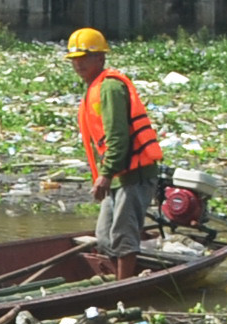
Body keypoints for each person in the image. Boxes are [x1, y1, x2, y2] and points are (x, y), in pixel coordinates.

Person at [66, 26, 165, 281]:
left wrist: (105, 174)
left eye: (85, 58)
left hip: (133, 173)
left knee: (123, 233)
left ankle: (123, 286)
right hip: (119, 172)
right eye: (75, 60)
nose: (79, 65)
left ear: (100, 58)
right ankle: (117, 280)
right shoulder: (94, 88)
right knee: (105, 236)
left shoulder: (109, 88)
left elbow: (118, 137)